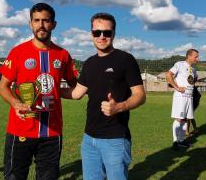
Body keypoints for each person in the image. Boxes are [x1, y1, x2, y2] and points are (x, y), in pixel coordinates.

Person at [0, 3, 78, 180]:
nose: (41, 25)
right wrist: (16, 103)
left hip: (52, 132)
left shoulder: (63, 55)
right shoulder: (18, 52)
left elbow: (75, 86)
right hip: (21, 129)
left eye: (46, 21)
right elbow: (2, 86)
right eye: (37, 20)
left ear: (53, 24)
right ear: (30, 24)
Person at [61, 12, 146, 180]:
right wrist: (51, 90)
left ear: (114, 34)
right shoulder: (90, 62)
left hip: (115, 139)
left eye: (107, 33)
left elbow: (140, 95)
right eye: (96, 32)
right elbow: (77, 93)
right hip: (89, 139)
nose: (101, 37)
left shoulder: (125, 60)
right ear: (91, 34)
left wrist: (119, 106)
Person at [166, 49, 199, 149]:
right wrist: (176, 87)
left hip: (189, 97)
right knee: (179, 119)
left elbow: (194, 79)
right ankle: (175, 142)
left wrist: (191, 85)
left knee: (185, 119)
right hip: (181, 97)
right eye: (196, 56)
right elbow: (168, 75)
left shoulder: (193, 69)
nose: (197, 59)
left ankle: (182, 140)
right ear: (189, 56)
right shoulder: (179, 64)